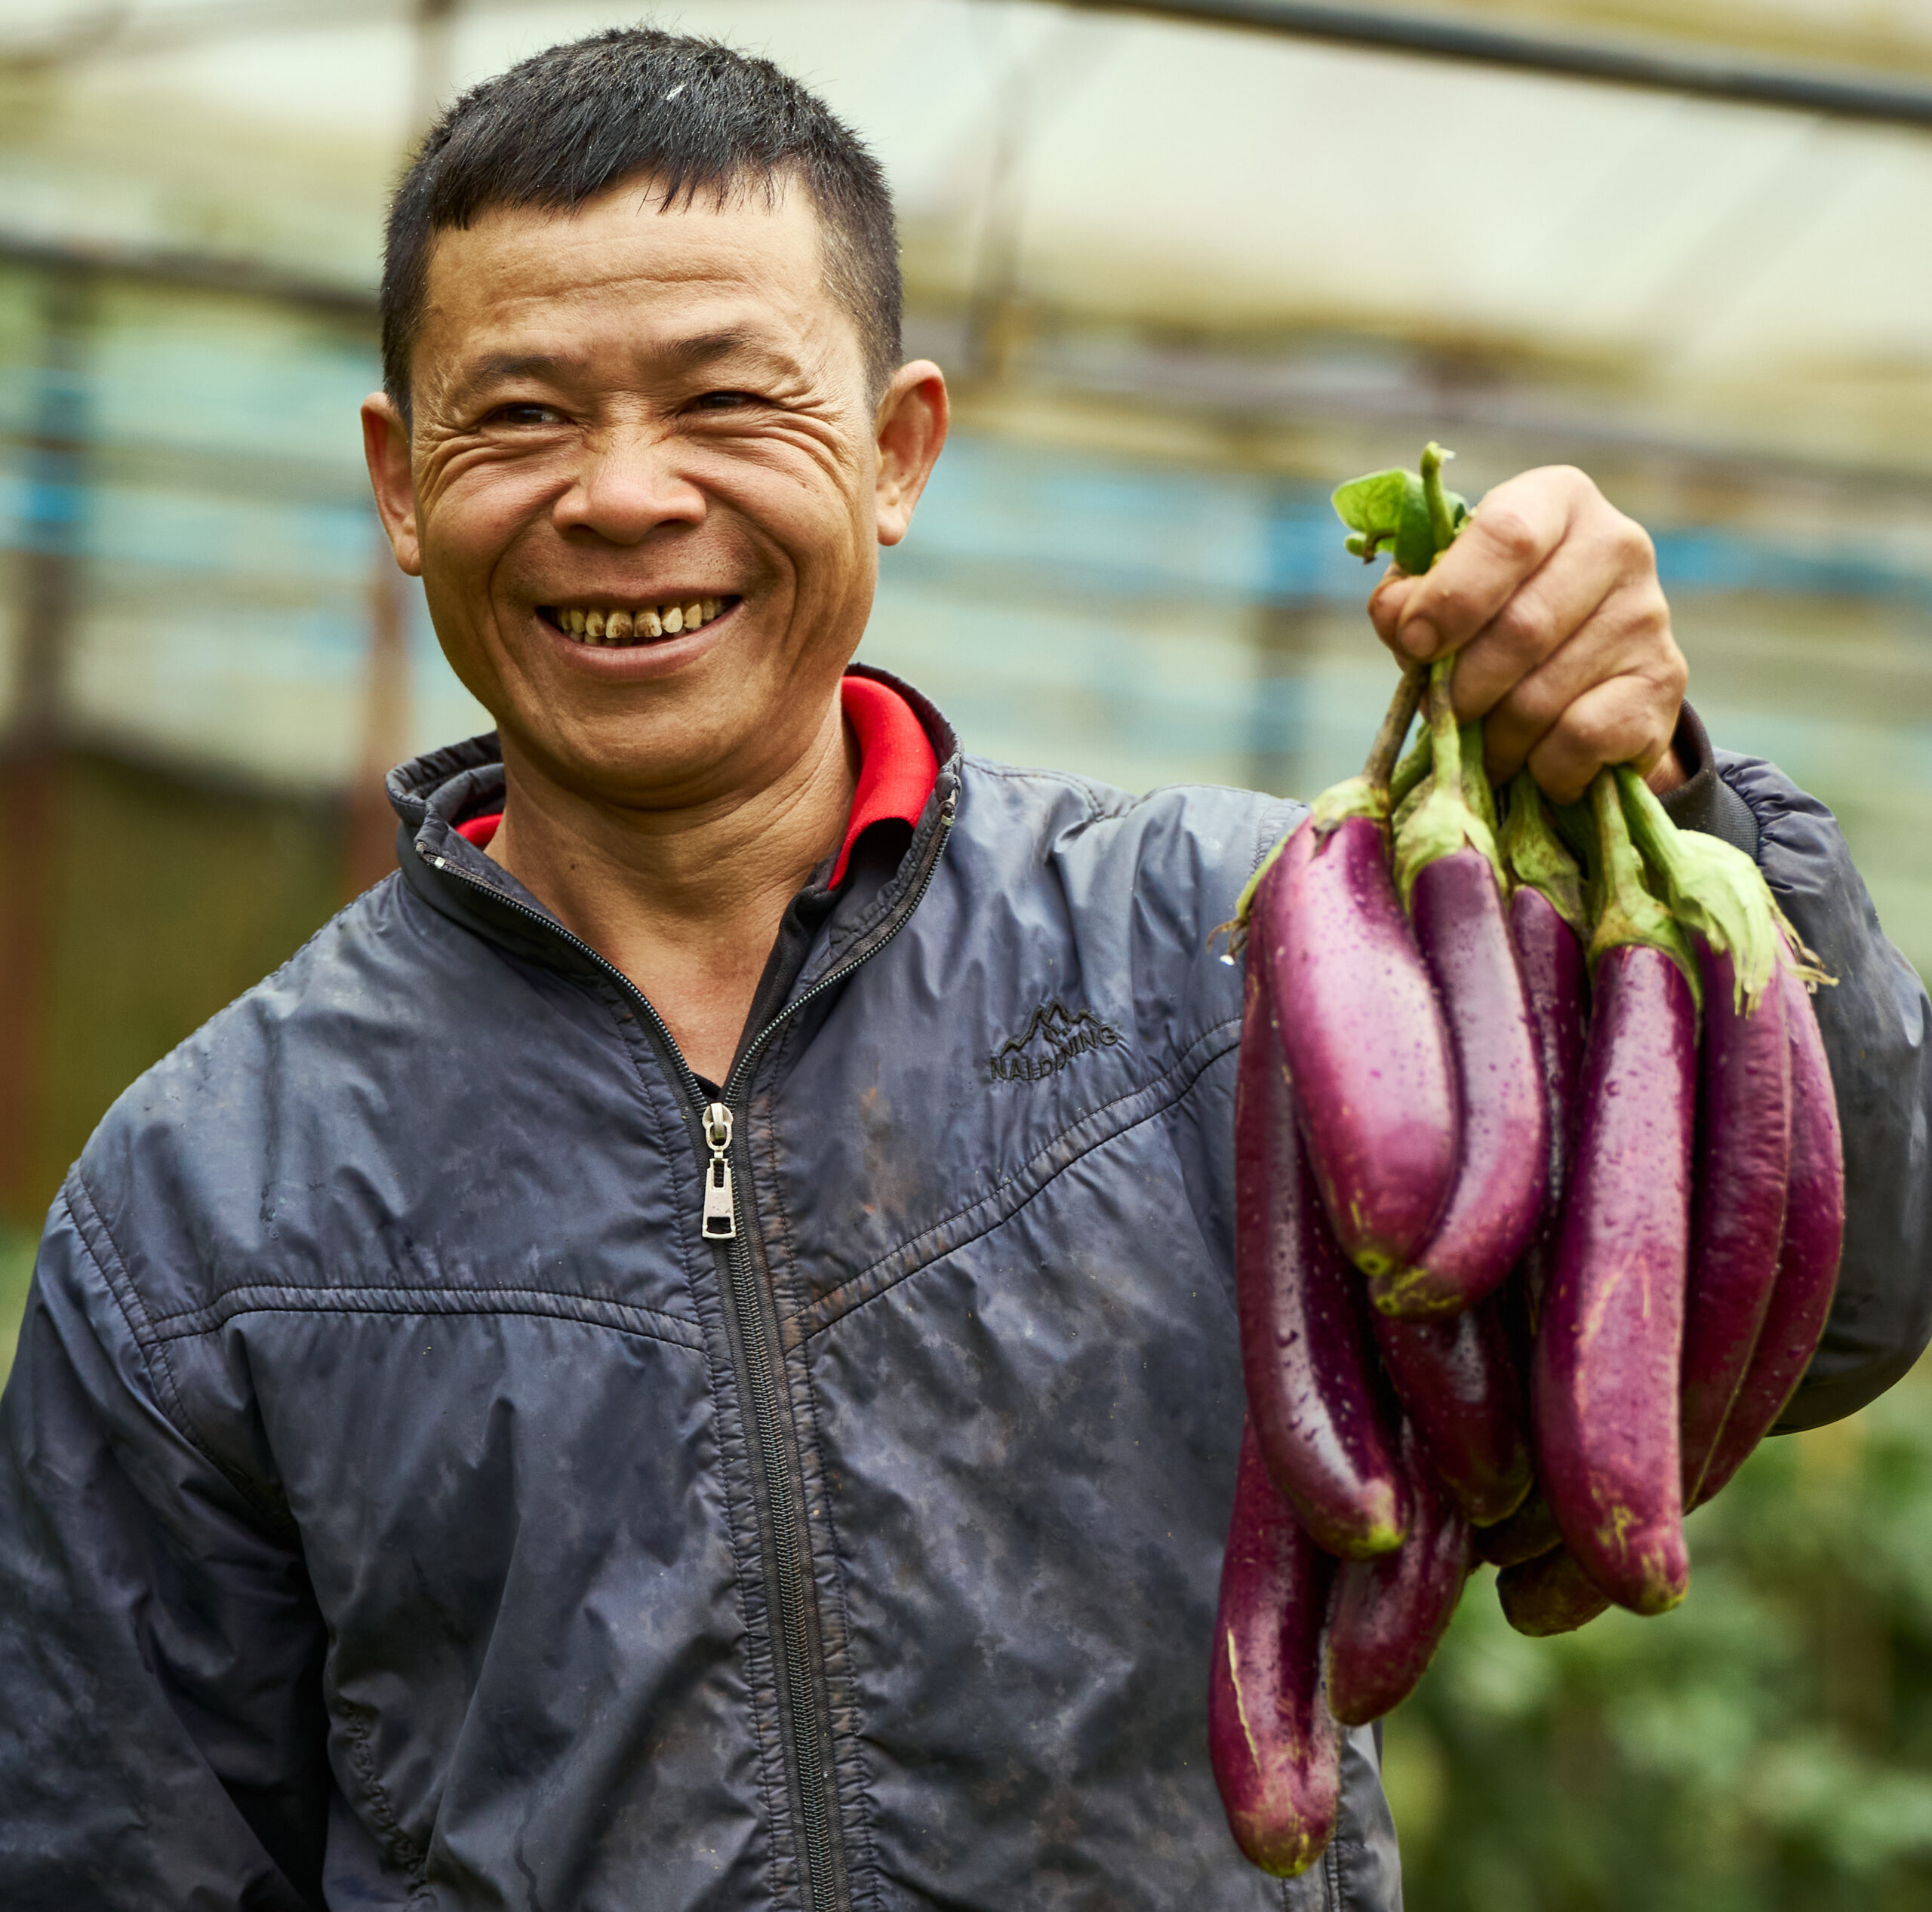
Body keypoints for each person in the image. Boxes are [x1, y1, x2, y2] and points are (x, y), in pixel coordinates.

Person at [0, 28, 1926, 1912]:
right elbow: (118, 1848)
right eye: (517, 416)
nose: (622, 494)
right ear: (401, 479)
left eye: (725, 400)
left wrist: (1656, 789)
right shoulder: (205, 1197)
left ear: (896, 450)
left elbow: (1844, 1297)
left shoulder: (1243, 950)